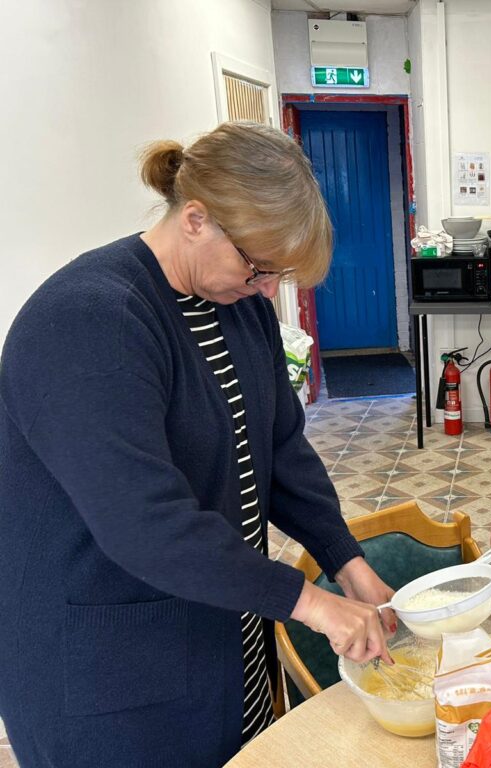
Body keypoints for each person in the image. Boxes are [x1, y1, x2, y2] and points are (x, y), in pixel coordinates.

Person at [0, 122, 398, 767]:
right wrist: (311, 603)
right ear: (195, 220)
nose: (269, 288)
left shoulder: (237, 305)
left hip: (217, 625)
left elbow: (283, 453)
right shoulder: (89, 320)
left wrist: (345, 561)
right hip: (111, 674)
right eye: (259, 266)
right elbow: (145, 524)